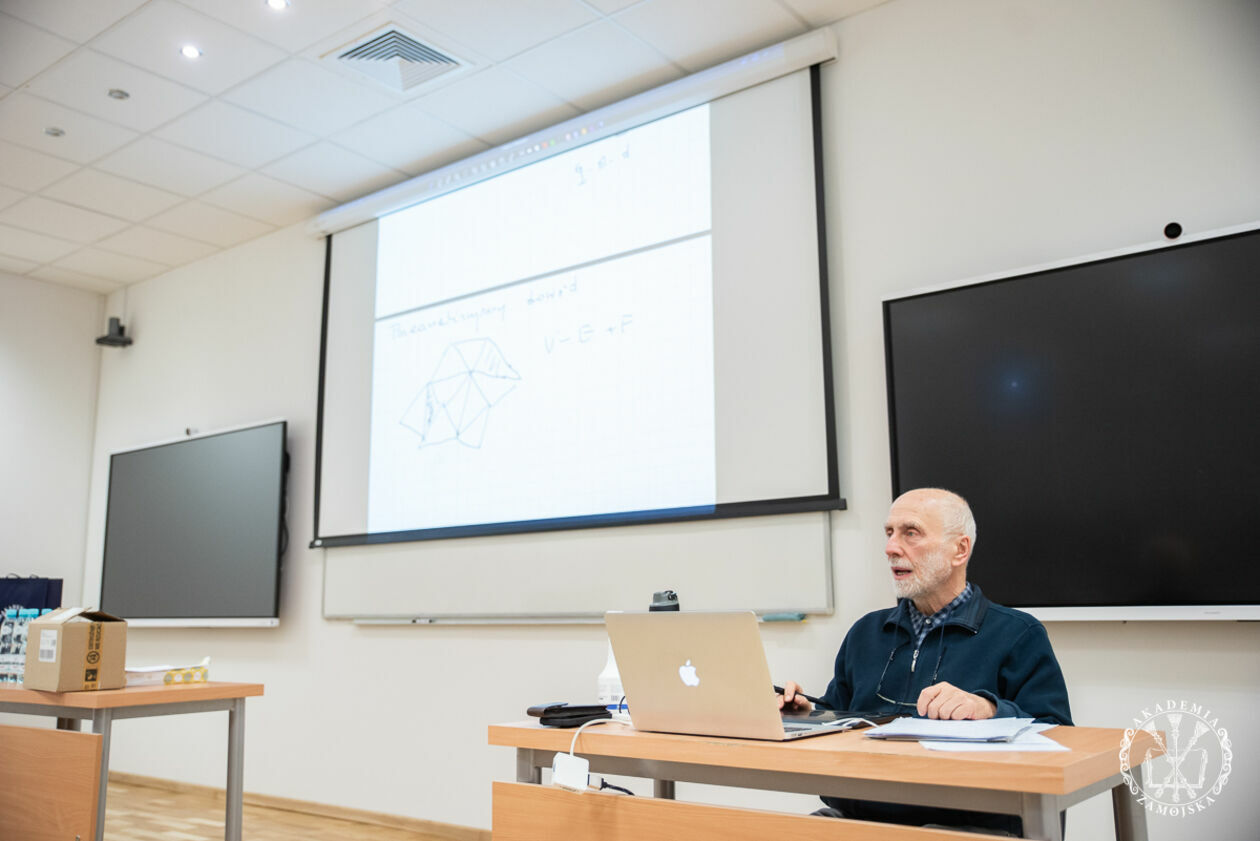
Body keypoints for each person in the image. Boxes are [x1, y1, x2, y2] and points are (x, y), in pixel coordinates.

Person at [778, 488, 1072, 835]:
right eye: (889, 533)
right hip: (859, 820)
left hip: (966, 825)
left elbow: (1059, 736)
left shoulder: (1018, 634)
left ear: (959, 550)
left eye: (911, 533)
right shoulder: (865, 632)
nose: (891, 548)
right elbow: (839, 718)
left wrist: (991, 710)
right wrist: (806, 716)